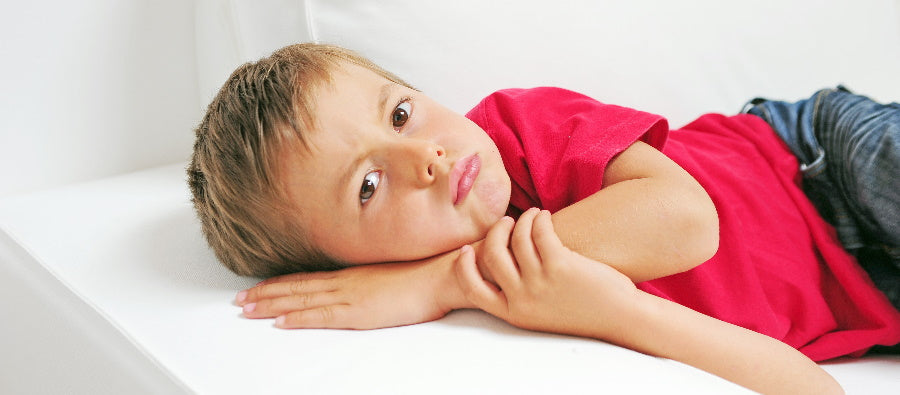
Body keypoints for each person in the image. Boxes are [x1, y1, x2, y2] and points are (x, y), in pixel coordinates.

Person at [189, 43, 900, 394]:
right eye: (370, 185)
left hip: (813, 162)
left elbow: (687, 220)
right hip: (874, 293)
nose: (424, 157)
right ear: (353, 269)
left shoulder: (518, 131)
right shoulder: (524, 303)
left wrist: (445, 280)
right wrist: (617, 312)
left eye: (402, 112)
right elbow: (817, 389)